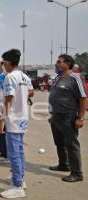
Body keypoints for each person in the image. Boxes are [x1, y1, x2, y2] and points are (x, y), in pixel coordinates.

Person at [0, 49, 34, 199]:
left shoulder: (9, 77)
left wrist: (1, 120)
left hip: (13, 120)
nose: (2, 65)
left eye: (3, 62)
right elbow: (31, 93)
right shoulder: (24, 76)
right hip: (23, 117)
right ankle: (20, 179)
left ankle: (18, 186)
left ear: (7, 62)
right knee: (19, 151)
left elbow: (8, 100)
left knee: (13, 153)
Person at [48, 54, 87, 182]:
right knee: (59, 142)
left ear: (67, 64)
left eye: (59, 62)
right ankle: (63, 164)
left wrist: (80, 117)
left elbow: (83, 98)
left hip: (68, 116)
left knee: (71, 144)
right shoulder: (58, 78)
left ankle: (77, 173)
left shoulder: (75, 77)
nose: (56, 64)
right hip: (56, 116)